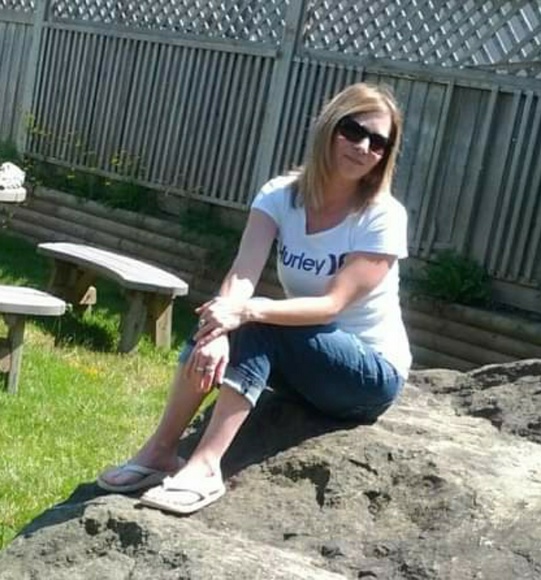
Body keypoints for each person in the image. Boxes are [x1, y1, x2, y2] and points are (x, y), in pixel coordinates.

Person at [97, 82, 412, 514]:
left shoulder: (383, 217)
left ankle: (206, 466)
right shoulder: (281, 195)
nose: (363, 147)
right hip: (306, 364)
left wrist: (244, 312)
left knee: (257, 322)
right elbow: (243, 272)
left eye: (378, 142)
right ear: (328, 127)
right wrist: (220, 327)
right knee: (222, 319)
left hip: (368, 377)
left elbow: (331, 306)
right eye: (353, 131)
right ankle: (161, 452)